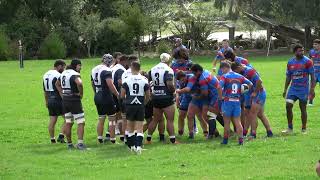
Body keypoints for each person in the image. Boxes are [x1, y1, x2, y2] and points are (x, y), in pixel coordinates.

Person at [231, 62, 273, 138]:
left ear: (239, 67)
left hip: (258, 93)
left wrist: (255, 92)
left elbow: (259, 81)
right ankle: (269, 132)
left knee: (253, 113)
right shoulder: (240, 72)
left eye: (236, 71)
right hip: (248, 94)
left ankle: (253, 134)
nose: (236, 73)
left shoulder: (250, 71)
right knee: (252, 113)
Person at [282, 44, 315, 134]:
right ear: (295, 52)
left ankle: (304, 129)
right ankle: (290, 128)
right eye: (300, 51)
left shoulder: (308, 62)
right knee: (288, 106)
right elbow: (288, 77)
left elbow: (312, 76)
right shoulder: (290, 62)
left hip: (303, 89)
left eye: (303, 50)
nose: (302, 52)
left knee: (302, 108)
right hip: (293, 88)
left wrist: (312, 89)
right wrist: (285, 89)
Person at [219, 62, 253, 145]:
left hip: (227, 101)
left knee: (227, 122)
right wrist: (243, 91)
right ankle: (241, 140)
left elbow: (219, 86)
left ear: (224, 68)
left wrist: (221, 97)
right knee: (238, 122)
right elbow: (250, 84)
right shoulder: (240, 76)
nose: (222, 72)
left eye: (222, 70)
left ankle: (225, 141)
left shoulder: (224, 76)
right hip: (237, 101)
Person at [147, 53, 177, 144]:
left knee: (155, 119)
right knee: (170, 120)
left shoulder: (152, 69)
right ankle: (172, 140)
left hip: (155, 97)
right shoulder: (168, 70)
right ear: (168, 60)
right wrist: (173, 92)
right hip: (166, 97)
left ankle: (148, 139)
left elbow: (148, 83)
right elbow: (170, 84)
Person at [121, 61, 150, 154]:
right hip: (140, 105)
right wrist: (144, 103)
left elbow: (122, 95)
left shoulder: (126, 79)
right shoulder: (144, 80)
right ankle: (138, 147)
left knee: (130, 127)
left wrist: (126, 101)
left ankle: (132, 146)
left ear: (131, 68)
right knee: (140, 128)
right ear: (139, 68)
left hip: (130, 104)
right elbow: (148, 95)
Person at [56, 59, 86, 150]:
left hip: (65, 100)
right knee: (81, 122)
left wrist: (62, 93)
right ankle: (80, 144)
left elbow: (57, 84)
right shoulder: (74, 74)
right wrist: (81, 94)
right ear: (76, 65)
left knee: (68, 122)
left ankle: (69, 145)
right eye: (79, 65)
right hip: (74, 100)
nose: (80, 67)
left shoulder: (63, 73)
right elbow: (79, 83)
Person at [91, 54, 119, 144]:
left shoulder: (94, 69)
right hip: (106, 95)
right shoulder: (107, 70)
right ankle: (113, 139)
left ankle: (99, 138)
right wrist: (117, 94)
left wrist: (96, 92)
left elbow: (92, 83)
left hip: (98, 94)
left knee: (101, 118)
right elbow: (110, 84)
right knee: (112, 118)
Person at [42, 59, 66, 143]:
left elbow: (45, 90)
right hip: (57, 98)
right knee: (68, 118)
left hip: (49, 99)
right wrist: (64, 99)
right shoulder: (58, 75)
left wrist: (46, 101)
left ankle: (52, 139)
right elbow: (59, 88)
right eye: (63, 67)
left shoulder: (45, 74)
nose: (64, 69)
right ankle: (61, 136)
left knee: (52, 119)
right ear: (59, 66)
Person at [112, 55, 129, 142]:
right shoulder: (121, 70)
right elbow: (119, 81)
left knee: (118, 116)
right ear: (125, 61)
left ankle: (120, 134)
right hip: (120, 94)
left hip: (114, 94)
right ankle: (124, 135)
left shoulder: (114, 67)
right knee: (124, 117)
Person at [308, 39, 320, 105]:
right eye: (314, 44)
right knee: (311, 88)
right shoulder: (311, 52)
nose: (314, 45)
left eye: (316, 44)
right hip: (314, 73)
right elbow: (309, 61)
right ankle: (310, 102)